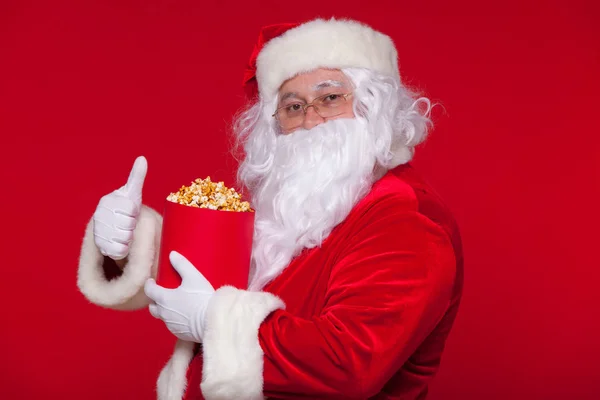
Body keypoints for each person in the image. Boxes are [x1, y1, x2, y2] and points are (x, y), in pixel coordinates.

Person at [76, 17, 464, 400]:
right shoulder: (296, 206)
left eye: (330, 97)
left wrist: (215, 321)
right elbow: (205, 277)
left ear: (373, 105)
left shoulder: (406, 217)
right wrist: (128, 244)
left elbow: (349, 363)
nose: (311, 120)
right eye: (293, 106)